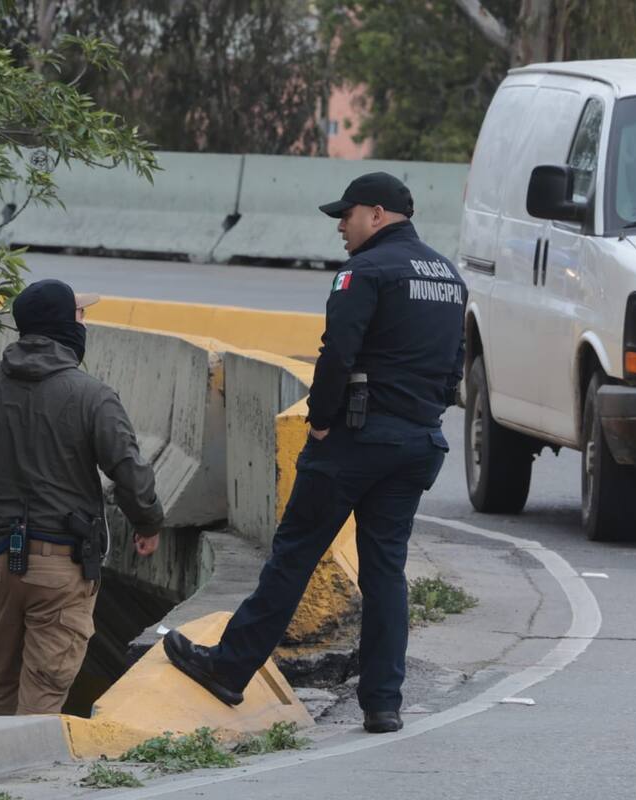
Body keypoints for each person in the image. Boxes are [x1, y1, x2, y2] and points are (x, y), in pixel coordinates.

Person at [164, 172, 466, 735]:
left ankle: (229, 668)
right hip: (417, 442)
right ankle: (383, 703)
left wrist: (322, 421)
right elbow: (456, 364)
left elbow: (337, 352)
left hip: (355, 440)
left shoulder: (364, 272)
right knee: (385, 572)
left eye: (345, 217)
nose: (340, 229)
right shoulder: (447, 275)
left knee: (294, 554)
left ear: (376, 214)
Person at [0, 279, 164, 719]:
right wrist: (148, 523)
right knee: (42, 692)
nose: (85, 322)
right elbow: (131, 472)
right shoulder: (92, 395)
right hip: (62, 564)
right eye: (80, 315)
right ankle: (22, 784)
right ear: (64, 326)